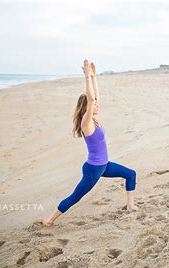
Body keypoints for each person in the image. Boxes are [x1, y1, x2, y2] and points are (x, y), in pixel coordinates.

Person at [43, 60, 138, 226]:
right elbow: (92, 99)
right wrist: (87, 78)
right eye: (93, 105)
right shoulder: (86, 123)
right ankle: (50, 220)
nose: (97, 105)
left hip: (104, 165)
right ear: (87, 107)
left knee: (131, 174)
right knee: (76, 196)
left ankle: (130, 205)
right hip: (93, 169)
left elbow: (95, 97)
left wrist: (94, 77)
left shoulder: (93, 119)